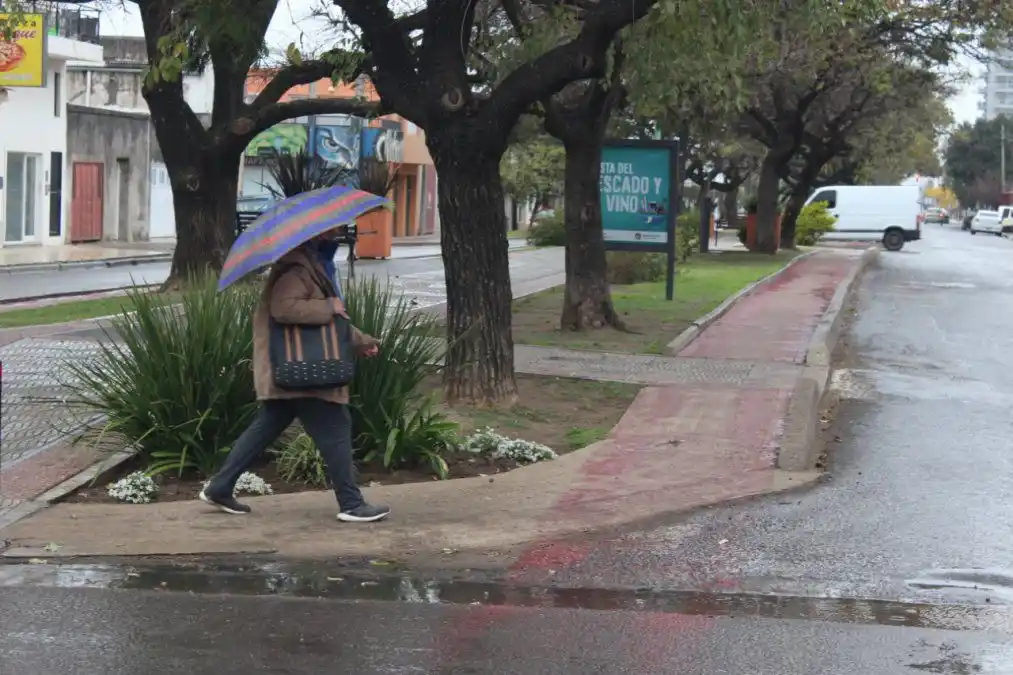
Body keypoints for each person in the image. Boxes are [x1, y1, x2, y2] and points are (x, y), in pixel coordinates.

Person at [200, 233, 390, 523]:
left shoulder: (311, 266)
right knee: (337, 430)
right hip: (305, 372)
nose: (337, 232)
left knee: (264, 429)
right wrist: (329, 305)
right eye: (331, 230)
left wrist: (361, 341)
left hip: (293, 374)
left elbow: (330, 327)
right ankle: (351, 504)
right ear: (312, 236)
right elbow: (284, 308)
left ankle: (220, 486)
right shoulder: (297, 269)